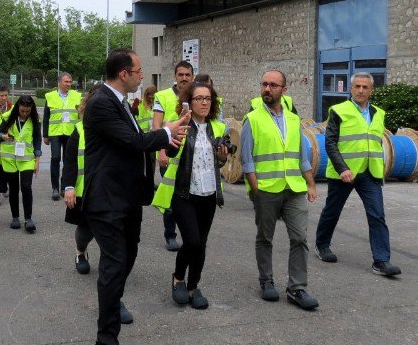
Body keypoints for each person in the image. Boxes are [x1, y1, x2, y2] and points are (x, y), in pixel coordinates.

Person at [83, 48, 190, 345]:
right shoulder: (102, 102)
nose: (144, 75)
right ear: (124, 73)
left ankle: (113, 299)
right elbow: (132, 142)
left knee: (128, 256)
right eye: (139, 70)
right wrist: (168, 130)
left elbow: (136, 141)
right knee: (115, 264)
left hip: (127, 197)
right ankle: (106, 343)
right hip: (107, 200)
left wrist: (167, 138)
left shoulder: (121, 102)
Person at [241, 69, 319, 310]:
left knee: (300, 238)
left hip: (294, 187)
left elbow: (302, 156)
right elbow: (247, 160)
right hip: (266, 189)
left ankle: (297, 288)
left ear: (284, 90)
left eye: (273, 85)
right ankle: (267, 282)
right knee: (265, 238)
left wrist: (310, 182)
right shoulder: (252, 119)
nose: (267, 89)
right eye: (264, 84)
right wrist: (256, 190)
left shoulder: (294, 120)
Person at [315, 72, 402, 277]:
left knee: (377, 214)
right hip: (344, 172)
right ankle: (322, 245)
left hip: (370, 172)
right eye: (357, 87)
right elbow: (330, 142)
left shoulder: (378, 113)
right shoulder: (338, 111)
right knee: (332, 211)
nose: (361, 90)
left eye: (365, 87)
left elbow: (375, 142)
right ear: (351, 89)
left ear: (371, 90)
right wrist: (342, 168)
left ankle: (381, 260)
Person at [152, 81, 228, 310]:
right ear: (189, 102)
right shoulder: (180, 125)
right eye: (199, 98)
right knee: (192, 241)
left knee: (201, 244)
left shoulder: (218, 128)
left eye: (208, 98)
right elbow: (173, 150)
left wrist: (223, 156)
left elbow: (220, 162)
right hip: (184, 193)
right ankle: (178, 278)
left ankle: (194, 286)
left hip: (209, 193)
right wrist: (178, 129)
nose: (204, 102)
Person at [151, 60, 195, 251]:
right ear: (175, 76)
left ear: (192, 76)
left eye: (187, 74)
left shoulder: (198, 95)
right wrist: (161, 151)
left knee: (191, 196)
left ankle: (190, 233)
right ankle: (170, 235)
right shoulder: (163, 96)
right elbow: (156, 126)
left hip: (192, 154)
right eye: (181, 74)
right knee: (171, 195)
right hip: (169, 153)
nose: (184, 78)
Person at [62, 83, 103, 274]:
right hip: (85, 190)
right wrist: (69, 187)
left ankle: (109, 261)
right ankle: (80, 251)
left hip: (109, 189)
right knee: (86, 229)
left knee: (110, 229)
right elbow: (70, 161)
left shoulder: (117, 127)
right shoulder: (79, 130)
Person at [0, 95, 42, 232]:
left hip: (27, 159)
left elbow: (37, 140)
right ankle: (15, 217)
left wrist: (37, 161)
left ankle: (28, 219)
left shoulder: (35, 120)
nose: (24, 114)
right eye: (22, 111)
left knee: (26, 187)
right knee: (14, 188)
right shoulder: (7, 117)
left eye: (27, 111)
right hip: (10, 159)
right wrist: (4, 136)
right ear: (17, 108)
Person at [44, 72, 82, 201]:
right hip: (55, 132)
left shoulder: (77, 96)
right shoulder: (50, 96)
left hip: (71, 132)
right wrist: (45, 135)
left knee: (68, 160)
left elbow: (80, 114)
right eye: (66, 82)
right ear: (59, 83)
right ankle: (54, 187)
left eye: (70, 82)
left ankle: (64, 186)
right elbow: (46, 116)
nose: (69, 84)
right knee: (55, 158)